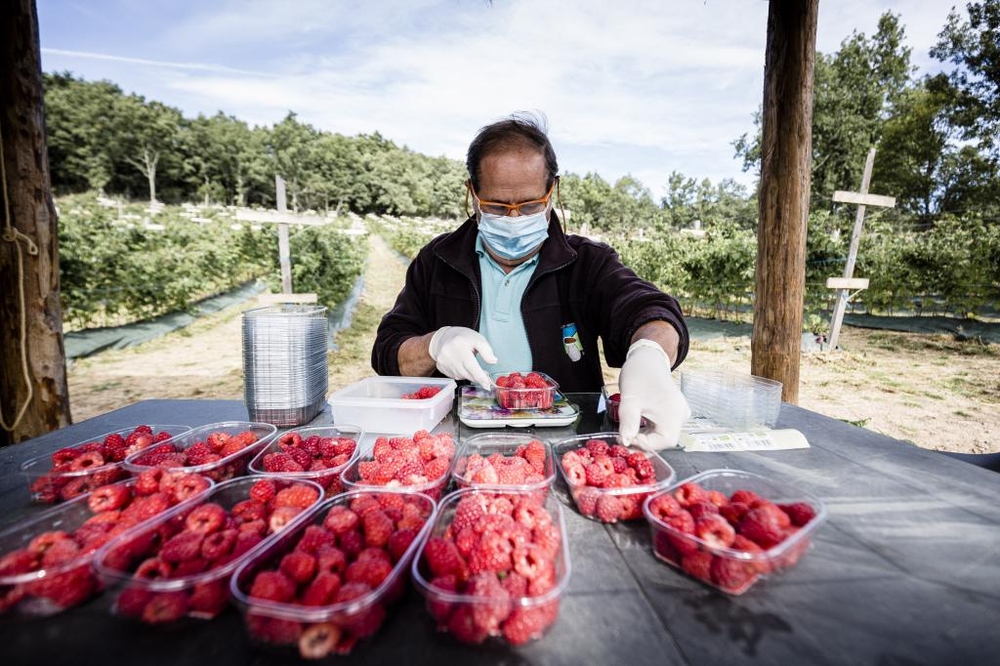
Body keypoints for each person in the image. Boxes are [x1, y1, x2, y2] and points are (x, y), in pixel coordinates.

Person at [371, 113, 691, 449]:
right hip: (452, 444)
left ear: (552, 191)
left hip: (562, 445)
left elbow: (647, 309)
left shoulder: (586, 264)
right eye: (496, 206)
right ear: (472, 195)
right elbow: (388, 350)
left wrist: (650, 353)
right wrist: (434, 345)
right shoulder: (437, 262)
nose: (513, 218)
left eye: (528, 206)